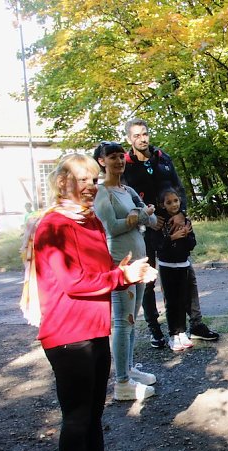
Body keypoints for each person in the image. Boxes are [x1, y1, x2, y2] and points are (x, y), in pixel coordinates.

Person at [21, 153, 156, 451]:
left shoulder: (92, 219)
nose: (90, 185)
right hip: (67, 335)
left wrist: (124, 273)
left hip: (95, 327)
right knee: (76, 419)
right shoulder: (53, 226)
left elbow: (97, 271)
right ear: (62, 181)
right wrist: (121, 278)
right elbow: (71, 283)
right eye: (82, 178)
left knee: (94, 411)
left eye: (94, 179)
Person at [121, 118, 219, 347]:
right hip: (147, 230)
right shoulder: (125, 165)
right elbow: (127, 199)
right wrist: (149, 219)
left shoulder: (163, 158)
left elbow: (179, 189)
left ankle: (195, 324)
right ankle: (156, 329)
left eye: (144, 134)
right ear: (129, 139)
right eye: (136, 135)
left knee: (186, 276)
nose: (142, 139)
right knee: (147, 281)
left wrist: (180, 214)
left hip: (174, 225)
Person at [93, 142, 158, 401]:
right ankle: (121, 383)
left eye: (121, 156)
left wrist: (138, 214)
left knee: (133, 320)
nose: (119, 161)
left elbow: (152, 221)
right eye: (113, 157)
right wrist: (141, 214)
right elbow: (112, 227)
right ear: (101, 161)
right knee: (122, 321)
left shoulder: (128, 189)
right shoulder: (102, 192)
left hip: (139, 262)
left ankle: (129, 369)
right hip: (119, 263)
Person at [150, 189, 197, 352]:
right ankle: (173, 335)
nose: (174, 204)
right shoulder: (160, 223)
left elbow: (192, 244)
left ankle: (182, 332)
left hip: (183, 264)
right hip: (167, 266)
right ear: (162, 204)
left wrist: (186, 236)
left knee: (183, 300)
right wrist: (172, 238)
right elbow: (158, 246)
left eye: (176, 201)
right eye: (169, 202)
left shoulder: (185, 220)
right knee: (171, 302)